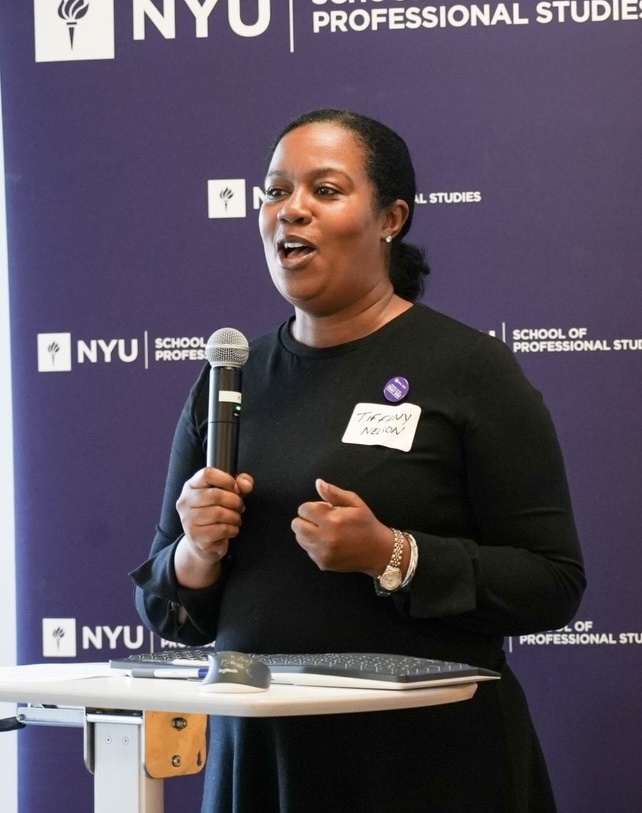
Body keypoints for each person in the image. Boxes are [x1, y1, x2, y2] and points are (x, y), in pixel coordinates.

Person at [131, 108, 586, 813]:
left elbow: (552, 582)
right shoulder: (230, 378)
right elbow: (170, 612)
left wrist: (393, 555)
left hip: (426, 765)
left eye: (326, 190)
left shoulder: (470, 369)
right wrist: (196, 553)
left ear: (390, 218)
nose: (292, 210)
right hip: (265, 763)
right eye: (276, 191)